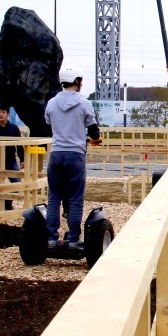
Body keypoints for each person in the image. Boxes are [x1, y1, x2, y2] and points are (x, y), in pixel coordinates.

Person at [44, 64, 102, 250]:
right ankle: (74, 239)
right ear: (77, 82)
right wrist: (96, 139)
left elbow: (48, 123)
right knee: (76, 198)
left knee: (54, 198)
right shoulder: (84, 103)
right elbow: (93, 131)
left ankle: (51, 239)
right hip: (75, 155)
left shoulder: (52, 103)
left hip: (56, 154)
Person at [0, 105, 24, 211]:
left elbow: (19, 144)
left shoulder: (14, 128)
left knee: (18, 184)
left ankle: (7, 201)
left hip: (11, 160)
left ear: (8, 114)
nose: (1, 114)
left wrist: (22, 159)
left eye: (3, 112)